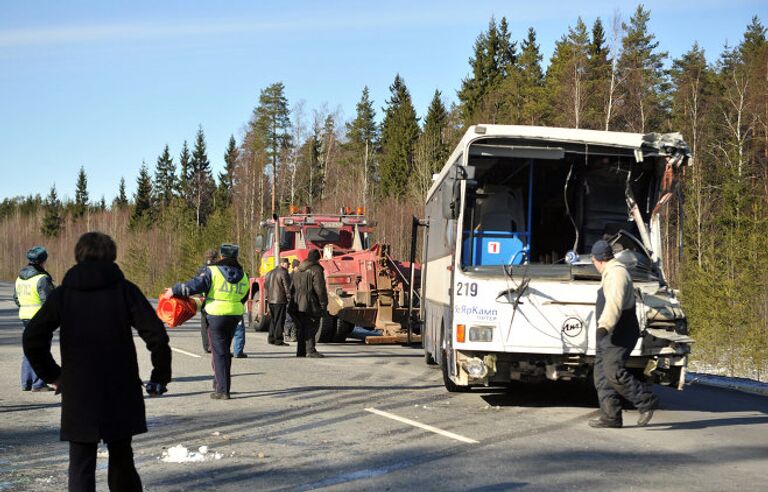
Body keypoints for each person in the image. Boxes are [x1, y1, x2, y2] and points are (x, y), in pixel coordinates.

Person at [23, 232, 172, 492]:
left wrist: (54, 375)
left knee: (80, 464)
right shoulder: (126, 290)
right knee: (122, 459)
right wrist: (159, 377)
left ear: (78, 256)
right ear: (111, 256)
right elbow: (157, 336)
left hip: (79, 390)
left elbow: (32, 337)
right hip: (120, 387)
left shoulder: (63, 294)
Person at [589, 240, 658, 429]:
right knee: (601, 376)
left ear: (598, 260)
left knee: (613, 373)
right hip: (610, 333)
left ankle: (646, 401)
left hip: (619, 331)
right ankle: (610, 417)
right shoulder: (610, 272)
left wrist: (603, 327)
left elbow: (614, 304)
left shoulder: (616, 274)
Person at [168, 243, 248, 399]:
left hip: (216, 314)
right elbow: (244, 296)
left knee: (219, 353)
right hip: (235, 315)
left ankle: (222, 390)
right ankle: (219, 382)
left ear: (221, 256)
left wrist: (174, 289)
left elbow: (194, 286)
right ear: (236, 256)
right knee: (224, 350)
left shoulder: (213, 271)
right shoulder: (243, 275)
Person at [15, 246, 55, 392]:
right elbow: (49, 301)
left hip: (25, 316)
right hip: (39, 317)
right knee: (41, 349)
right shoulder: (41, 278)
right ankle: (38, 383)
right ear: (42, 260)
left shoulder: (20, 277)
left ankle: (26, 381)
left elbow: (16, 298)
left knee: (29, 348)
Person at [292, 249, 328, 358]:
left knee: (302, 327)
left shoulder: (299, 270)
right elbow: (320, 289)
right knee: (311, 326)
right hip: (310, 302)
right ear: (318, 258)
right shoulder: (316, 269)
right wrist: (323, 304)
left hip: (297, 302)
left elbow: (292, 288)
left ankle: (301, 351)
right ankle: (310, 350)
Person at [265, 257, 292, 346]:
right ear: (283, 263)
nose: (288, 266)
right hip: (280, 300)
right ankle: (278, 340)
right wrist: (289, 298)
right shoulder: (284, 272)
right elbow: (287, 287)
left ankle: (271, 338)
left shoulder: (269, 273)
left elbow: (266, 286)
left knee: (273, 319)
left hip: (271, 300)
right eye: (288, 264)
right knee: (280, 320)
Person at [196, 250, 217, 353]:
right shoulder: (218, 269)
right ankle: (214, 346)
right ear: (216, 258)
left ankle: (206, 346)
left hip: (203, 299)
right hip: (215, 298)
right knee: (215, 324)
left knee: (204, 324)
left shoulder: (201, 269)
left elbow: (196, 284)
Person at [284, 259, 301, 342]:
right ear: (295, 267)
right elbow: (288, 288)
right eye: (298, 266)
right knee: (289, 318)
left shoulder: (297, 275)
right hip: (291, 299)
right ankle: (287, 335)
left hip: (295, 300)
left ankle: (293, 335)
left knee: (294, 318)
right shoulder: (290, 276)